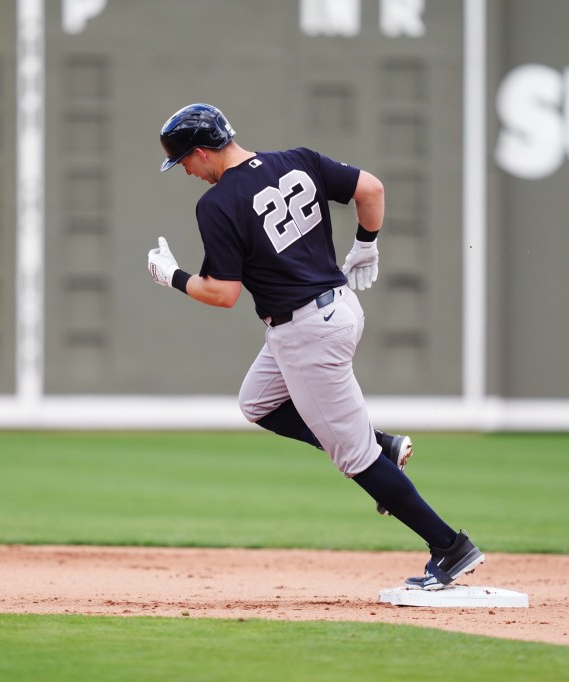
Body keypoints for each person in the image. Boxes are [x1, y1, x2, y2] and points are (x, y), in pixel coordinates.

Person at [147, 103, 483, 590]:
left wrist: (171, 276)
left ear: (201, 152)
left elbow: (222, 293)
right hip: (338, 309)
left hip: (306, 331)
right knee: (257, 403)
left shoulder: (217, 204)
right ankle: (382, 442)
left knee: (355, 459)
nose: (188, 173)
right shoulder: (296, 159)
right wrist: (367, 242)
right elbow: (371, 189)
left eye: (185, 163)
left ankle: (450, 546)